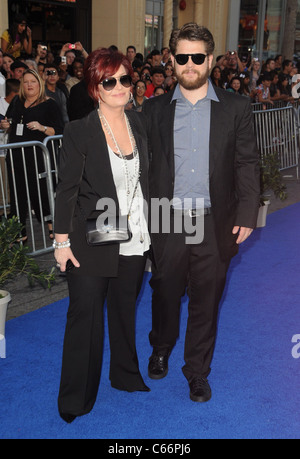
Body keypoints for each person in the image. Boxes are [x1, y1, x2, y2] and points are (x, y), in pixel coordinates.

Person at [142, 23, 260, 403]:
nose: (189, 64)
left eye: (197, 57)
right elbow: (145, 166)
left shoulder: (237, 107)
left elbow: (246, 162)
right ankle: (161, 345)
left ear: (210, 60)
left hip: (214, 219)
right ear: (172, 61)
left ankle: (197, 371)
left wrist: (247, 212)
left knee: (207, 299)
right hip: (166, 216)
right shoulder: (155, 108)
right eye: (182, 57)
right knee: (164, 290)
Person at [54, 47, 151, 423]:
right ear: (95, 85)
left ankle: (125, 376)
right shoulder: (80, 130)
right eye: (109, 80)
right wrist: (61, 242)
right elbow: (66, 190)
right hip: (92, 233)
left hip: (133, 233)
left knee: (124, 309)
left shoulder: (138, 123)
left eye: (124, 79)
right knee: (85, 315)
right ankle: (75, 398)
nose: (118, 87)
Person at [0, 69, 64, 242]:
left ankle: (52, 226)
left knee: (42, 192)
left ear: (39, 83)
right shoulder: (16, 101)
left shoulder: (50, 104)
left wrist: (42, 127)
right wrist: (5, 125)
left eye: (33, 81)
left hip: (39, 158)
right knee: (17, 193)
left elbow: (59, 130)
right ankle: (20, 232)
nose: (29, 85)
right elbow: (10, 123)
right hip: (16, 156)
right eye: (26, 82)